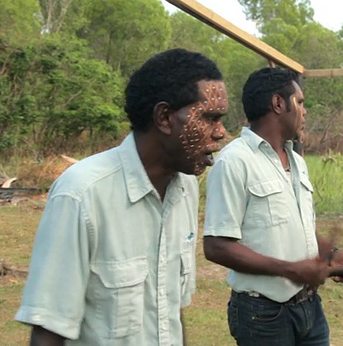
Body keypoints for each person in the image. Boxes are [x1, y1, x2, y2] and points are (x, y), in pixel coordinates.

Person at [14, 48, 229, 345]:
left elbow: (169, 313)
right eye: (210, 118)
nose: (221, 133)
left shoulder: (186, 188)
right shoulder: (82, 194)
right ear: (164, 117)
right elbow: (49, 331)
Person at [202, 67, 343, 346]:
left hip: (309, 308)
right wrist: (290, 270)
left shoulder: (297, 161)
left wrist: (330, 255)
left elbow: (290, 223)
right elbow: (217, 245)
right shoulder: (234, 162)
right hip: (262, 314)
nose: (305, 111)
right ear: (279, 103)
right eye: (300, 103)